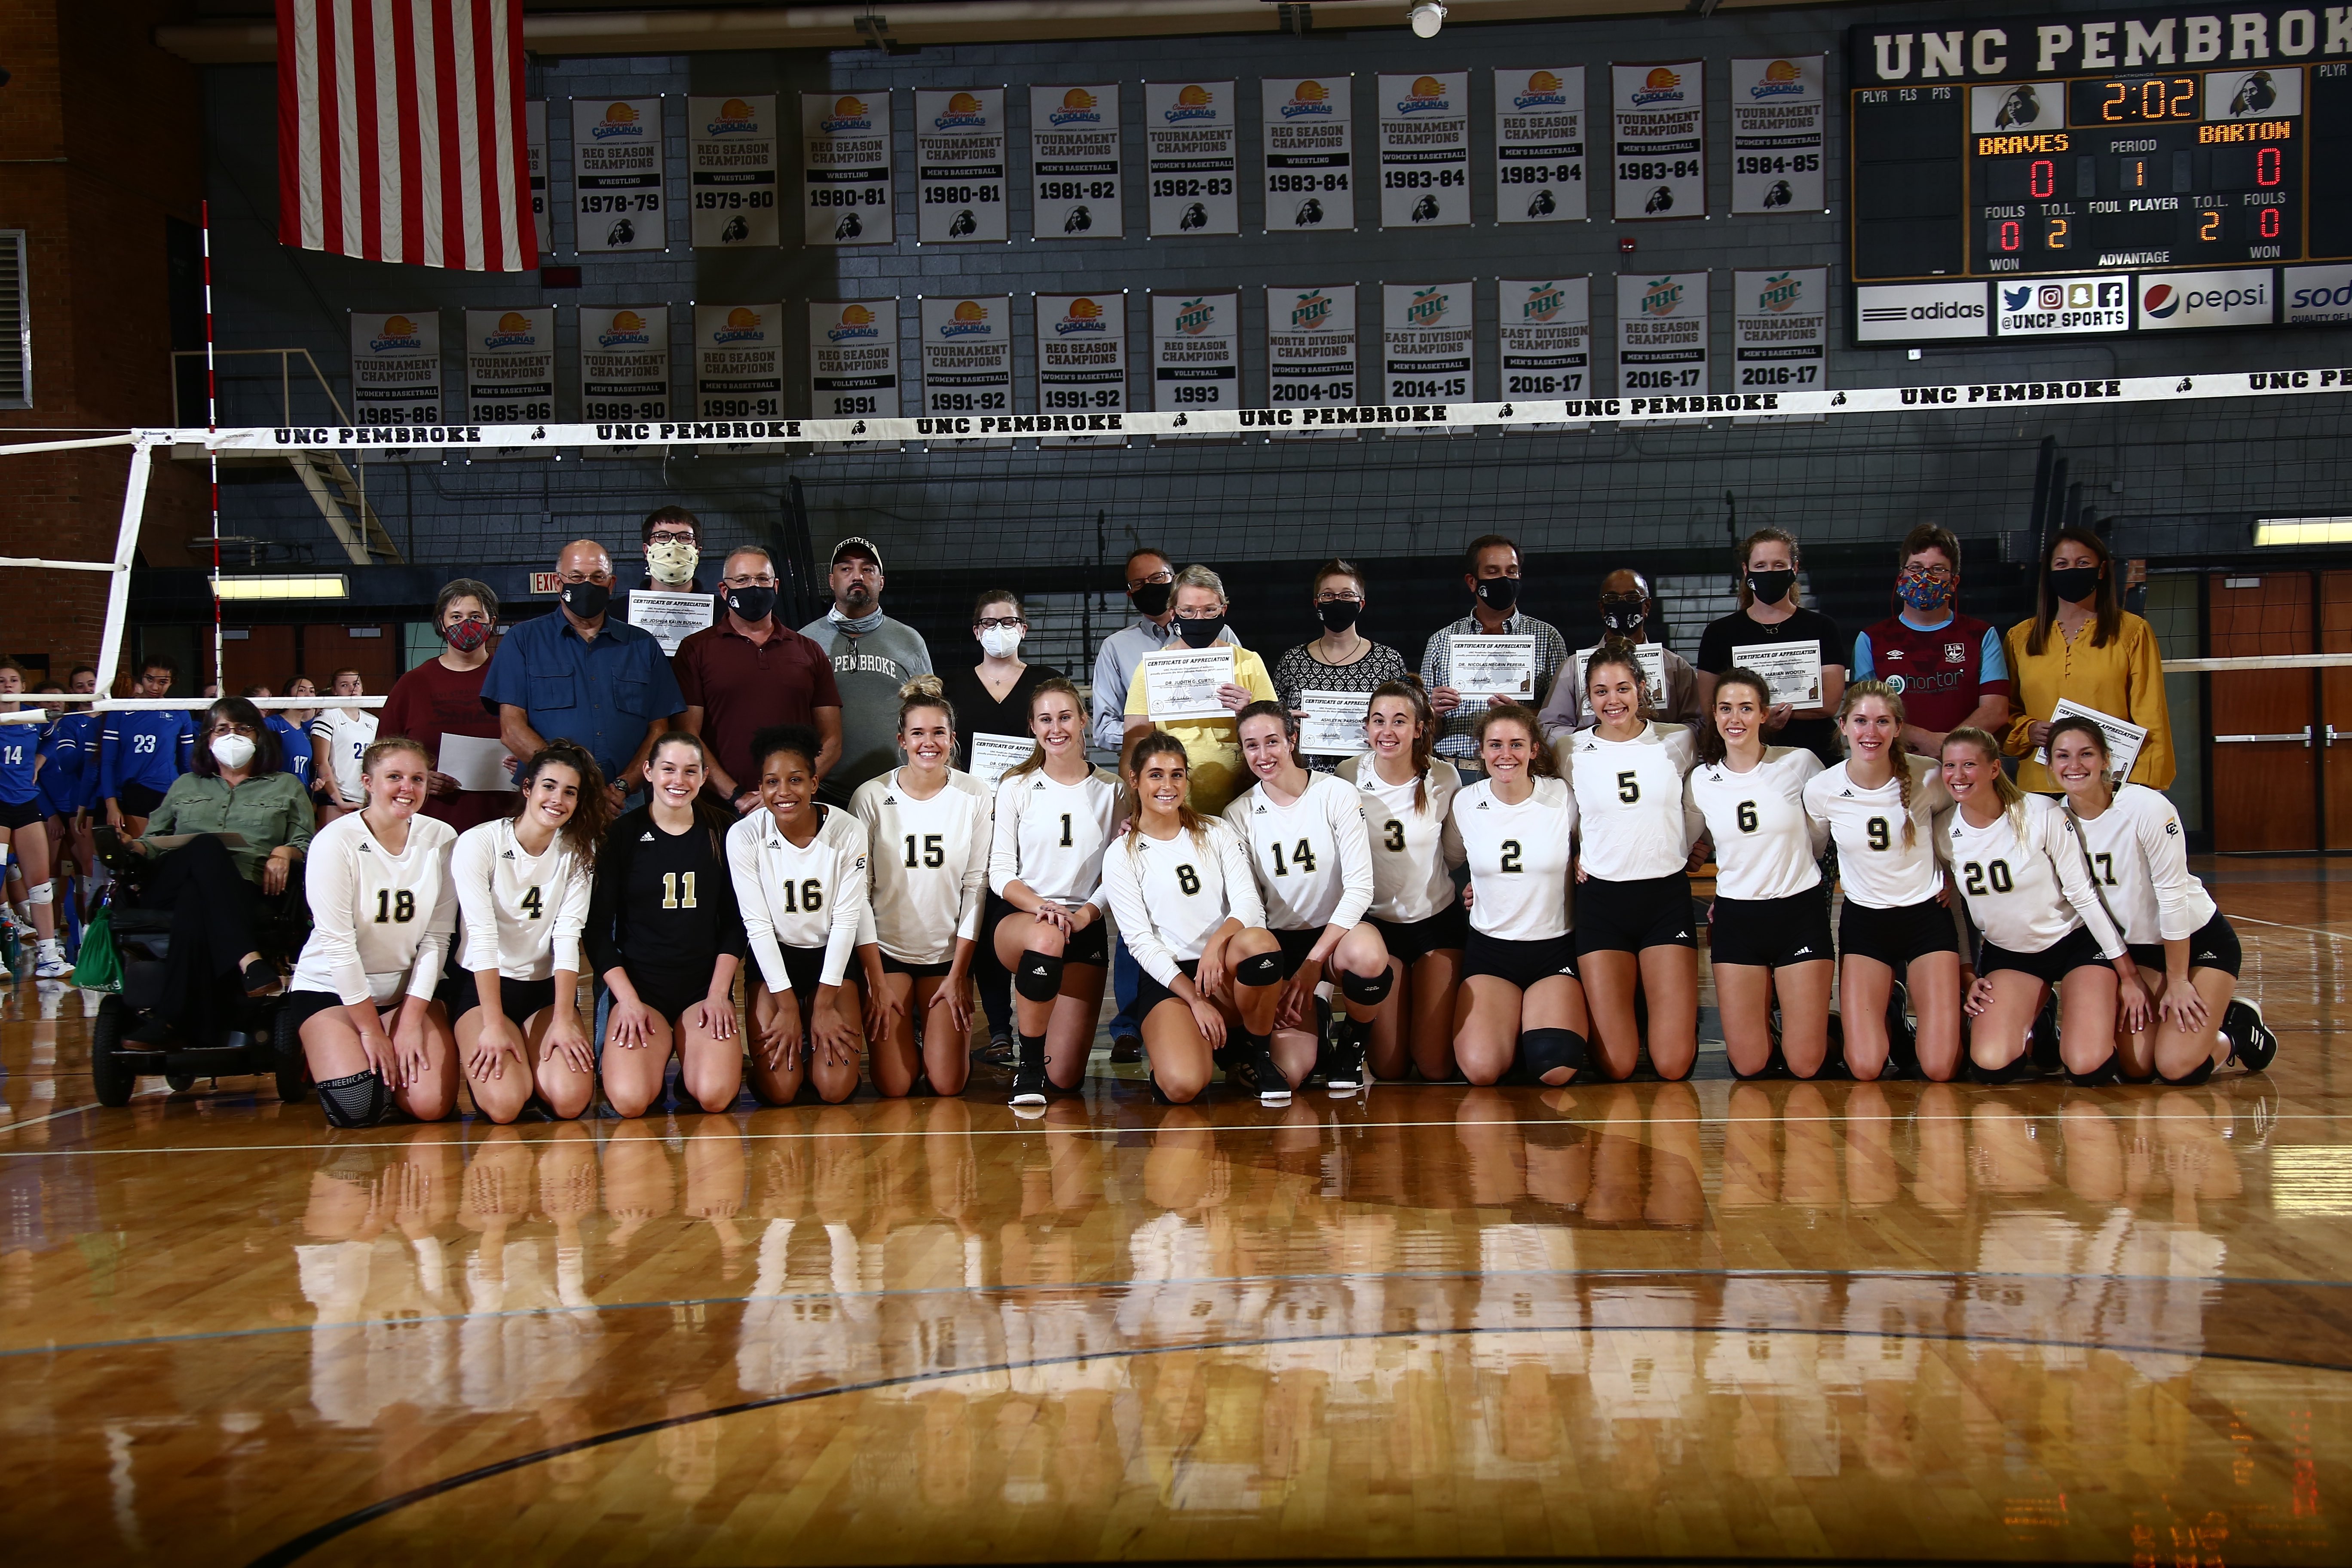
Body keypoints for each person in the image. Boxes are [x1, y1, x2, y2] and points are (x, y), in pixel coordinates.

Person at [2046, 715, 2273, 1083]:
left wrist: (2180, 981)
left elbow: (2172, 896)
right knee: (2136, 1067)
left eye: (2086, 754)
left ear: (2106, 759)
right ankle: (2211, 1019)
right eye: (2063, 756)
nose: (2075, 766)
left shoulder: (2147, 807)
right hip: (2139, 951)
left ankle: (2235, 1034)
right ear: (2050, 763)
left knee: (2176, 1067)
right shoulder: (2054, 819)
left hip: (2197, 942)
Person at [1939, 726, 2138, 1083]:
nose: (1958, 776)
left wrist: (2129, 974)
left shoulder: (2039, 812)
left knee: (2086, 1065)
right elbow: (1952, 905)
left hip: (2074, 944)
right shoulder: (1942, 831)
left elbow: (2083, 894)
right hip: (2010, 954)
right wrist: (1969, 971)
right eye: (1949, 766)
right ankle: (2040, 1022)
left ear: (1995, 769)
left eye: (1969, 765)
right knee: (1990, 1065)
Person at [1099, 732, 1288, 1104]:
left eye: (1177, 774)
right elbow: (1139, 943)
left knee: (1259, 944)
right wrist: (1196, 1000)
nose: (1168, 785)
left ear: (1188, 779)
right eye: (1156, 775)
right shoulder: (1122, 854)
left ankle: (1256, 1052)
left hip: (1222, 970)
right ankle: (1187, 1047)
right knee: (1184, 1086)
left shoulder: (1216, 831)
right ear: (1135, 781)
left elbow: (1250, 905)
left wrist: (1216, 946)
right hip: (1170, 980)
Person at [108, 698, 312, 1039]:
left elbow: (307, 843)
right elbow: (152, 842)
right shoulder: (185, 785)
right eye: (222, 729)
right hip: (169, 883)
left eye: (243, 728)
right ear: (207, 739)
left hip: (246, 886)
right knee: (205, 846)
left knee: (196, 897)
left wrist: (284, 851)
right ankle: (250, 962)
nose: (233, 736)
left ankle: (171, 1019)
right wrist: (129, 845)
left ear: (259, 736)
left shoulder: (286, 786)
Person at [283, 737, 459, 1126]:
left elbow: (437, 939)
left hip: (405, 994)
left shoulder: (443, 839)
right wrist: (371, 1031)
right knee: (357, 1110)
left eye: (418, 779)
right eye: (394, 777)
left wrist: (409, 1023)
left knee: (431, 1107)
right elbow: (338, 946)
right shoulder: (335, 841)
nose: (407, 789)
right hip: (333, 990)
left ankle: (386, 1066)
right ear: (368, 782)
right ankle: (330, 1048)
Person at [1224, 701, 1390, 1092]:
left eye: (1272, 742)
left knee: (1369, 955)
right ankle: (1313, 1014)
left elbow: (1361, 888)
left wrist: (1314, 963)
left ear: (1292, 740)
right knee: (1293, 1073)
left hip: (1334, 941)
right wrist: (1277, 979)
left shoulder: (1336, 793)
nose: (1263, 755)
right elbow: (1248, 901)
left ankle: (1352, 1046)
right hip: (1280, 943)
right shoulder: (1239, 813)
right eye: (1251, 746)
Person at [1560, 640, 1704, 1081]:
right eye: (1601, 692)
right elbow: (1556, 815)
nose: (1613, 700)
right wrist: (1574, 857)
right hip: (1603, 903)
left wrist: (1691, 843)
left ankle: (1657, 1021)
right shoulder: (1569, 751)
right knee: (1619, 1065)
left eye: (1623, 688)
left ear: (1642, 688)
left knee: (1673, 1064)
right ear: (1589, 699)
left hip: (1666, 899)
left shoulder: (1678, 740)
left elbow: (1699, 803)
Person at [1804, 682, 1963, 1082]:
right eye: (1860, 721)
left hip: (1927, 918)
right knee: (1865, 1067)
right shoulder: (1823, 789)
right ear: (1843, 726)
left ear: (1898, 728)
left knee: (1940, 1068)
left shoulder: (1930, 777)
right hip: (1866, 923)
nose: (1870, 732)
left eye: (1882, 722)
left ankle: (1923, 1017)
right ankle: (1890, 1006)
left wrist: (1953, 872)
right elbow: (1816, 847)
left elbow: (1964, 819)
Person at [443, 741, 609, 1123]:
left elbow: (568, 936)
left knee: (570, 1102)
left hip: (543, 990)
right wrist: (493, 1024)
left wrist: (566, 1019)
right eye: (549, 786)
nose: (558, 799)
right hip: (483, 988)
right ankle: (507, 1071)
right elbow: (481, 935)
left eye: (570, 792)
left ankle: (536, 1073)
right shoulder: (479, 843)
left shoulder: (578, 851)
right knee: (504, 1106)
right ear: (528, 788)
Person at [1090, 545, 1210, 1065]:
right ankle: (1129, 1022)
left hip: (1210, 794)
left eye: (1161, 578)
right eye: (1143, 584)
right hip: (1152, 785)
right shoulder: (1120, 649)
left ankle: (1213, 1001)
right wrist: (1156, 725)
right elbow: (1104, 726)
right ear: (1132, 593)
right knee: (1136, 906)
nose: (1154, 588)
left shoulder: (1221, 638)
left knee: (1206, 902)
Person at [585, 731, 747, 1117]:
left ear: (705, 776)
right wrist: (626, 1002)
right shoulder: (622, 836)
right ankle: (653, 1072)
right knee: (630, 1100)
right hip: (642, 992)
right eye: (668, 770)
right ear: (649, 772)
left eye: (690, 771)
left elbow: (737, 922)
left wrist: (718, 994)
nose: (679, 781)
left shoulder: (724, 831)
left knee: (714, 1095)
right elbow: (595, 931)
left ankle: (692, 1074)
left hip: (702, 989)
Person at [1685, 668, 1832, 1079]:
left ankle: (1833, 1034)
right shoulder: (1702, 780)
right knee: (1749, 1066)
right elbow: (1679, 842)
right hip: (1738, 919)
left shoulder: (1800, 764)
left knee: (1806, 1065)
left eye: (1747, 709)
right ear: (1713, 714)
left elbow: (1820, 836)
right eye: (1727, 708)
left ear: (1764, 714)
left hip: (1799, 914)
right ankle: (1768, 1030)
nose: (1736, 718)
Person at [939, 588, 1066, 1062]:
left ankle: (1046, 1020)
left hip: (1034, 815)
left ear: (1024, 629)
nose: (999, 630)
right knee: (983, 915)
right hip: (973, 817)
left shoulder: (1045, 681)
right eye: (989, 623)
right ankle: (997, 1027)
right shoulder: (952, 687)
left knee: (1033, 912)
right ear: (976, 631)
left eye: (1008, 621)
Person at [851, 679, 993, 1098]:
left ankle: (932, 1034)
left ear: (952, 738)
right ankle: (910, 1033)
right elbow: (859, 892)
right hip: (889, 954)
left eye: (938, 733)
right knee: (894, 1086)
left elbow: (976, 887)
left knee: (948, 1084)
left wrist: (959, 974)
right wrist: (874, 980)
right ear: (901, 740)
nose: (928, 743)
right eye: (918, 733)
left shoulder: (974, 794)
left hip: (946, 958)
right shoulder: (871, 796)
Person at [989, 677, 1123, 1106]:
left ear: (1084, 720)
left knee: (1065, 1080)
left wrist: (1086, 913)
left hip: (1085, 922)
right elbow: (1001, 874)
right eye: (1045, 719)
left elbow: (1116, 872)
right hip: (1024, 921)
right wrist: (1042, 907)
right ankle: (1026, 1067)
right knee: (1048, 935)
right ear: (1032, 726)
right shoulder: (1016, 786)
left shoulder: (1114, 789)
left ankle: (1046, 1068)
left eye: (1065, 716)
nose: (1056, 727)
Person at [729, 723, 876, 1107]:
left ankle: (816, 1032)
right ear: (760, 789)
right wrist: (789, 1006)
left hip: (831, 957)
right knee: (779, 1090)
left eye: (795, 780)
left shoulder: (848, 830)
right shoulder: (744, 836)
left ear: (814, 783)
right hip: (777, 958)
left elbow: (847, 921)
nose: (783, 792)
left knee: (835, 1089)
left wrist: (823, 1004)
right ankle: (782, 1058)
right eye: (772, 782)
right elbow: (757, 927)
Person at [482, 540, 686, 810]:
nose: (587, 585)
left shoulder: (642, 645)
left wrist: (623, 786)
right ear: (558, 583)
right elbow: (512, 730)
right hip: (549, 800)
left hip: (625, 801)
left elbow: (659, 730)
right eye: (576, 577)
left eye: (598, 577)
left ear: (611, 584)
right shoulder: (523, 641)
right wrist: (574, 786)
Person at [1446, 704, 1589, 1086]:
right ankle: (1514, 1031)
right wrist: (1473, 884)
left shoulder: (1563, 797)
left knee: (1555, 1068)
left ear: (1534, 750)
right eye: (1495, 745)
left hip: (1553, 949)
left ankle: (1534, 1032)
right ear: (1481, 750)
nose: (1505, 755)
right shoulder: (1465, 802)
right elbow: (1452, 860)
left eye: (1516, 744)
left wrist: (1581, 859)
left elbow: (1597, 843)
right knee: (1481, 1070)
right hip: (1492, 951)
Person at [1336, 679, 1465, 1083]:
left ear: (1419, 728)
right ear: (1366, 726)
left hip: (1435, 923)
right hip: (1378, 928)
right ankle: (1335, 1018)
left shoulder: (1444, 777)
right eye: (1378, 721)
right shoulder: (1346, 776)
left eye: (1399, 721)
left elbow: (1455, 854)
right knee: (1390, 1068)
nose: (1387, 732)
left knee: (1434, 1067)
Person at [2004, 527, 2175, 793]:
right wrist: (2028, 730)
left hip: (2110, 787)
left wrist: (2144, 788)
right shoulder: (2020, 637)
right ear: (2049, 573)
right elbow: (2005, 711)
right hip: (2041, 786)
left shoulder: (2133, 631)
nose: (2072, 570)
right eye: (2062, 564)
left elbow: (2150, 716)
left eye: (2082, 563)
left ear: (2102, 570)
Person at [676, 545, 843, 812]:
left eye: (762, 580)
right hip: (719, 808)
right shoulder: (695, 649)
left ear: (776, 586)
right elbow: (688, 734)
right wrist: (738, 796)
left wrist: (788, 790)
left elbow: (832, 740)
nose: (754, 587)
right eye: (742, 580)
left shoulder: (809, 650)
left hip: (791, 808)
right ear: (724, 590)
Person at [1120, 565, 1279, 817]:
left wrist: (1250, 714)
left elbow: (1274, 736)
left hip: (1244, 800)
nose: (1199, 619)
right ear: (1173, 613)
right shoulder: (1150, 669)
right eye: (1188, 611)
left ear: (1223, 610)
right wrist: (1133, 809)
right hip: (1174, 804)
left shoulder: (1249, 662)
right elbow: (1134, 744)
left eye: (1209, 610)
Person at [1851, 524, 2010, 758]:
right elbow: (1864, 714)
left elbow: (1995, 711)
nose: (1925, 578)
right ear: (1901, 577)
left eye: (1938, 570)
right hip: (1897, 763)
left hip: (1966, 765)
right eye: (1916, 568)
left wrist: (1949, 748)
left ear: (1954, 582)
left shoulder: (1982, 634)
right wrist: (1924, 739)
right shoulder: (1872, 640)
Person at [796, 535, 934, 804]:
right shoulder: (803, 642)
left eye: (868, 569)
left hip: (896, 790)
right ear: (832, 580)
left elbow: (930, 716)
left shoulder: (910, 641)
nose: (857, 576)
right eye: (846, 569)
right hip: (823, 789)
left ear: (881, 582)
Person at [1695, 529, 1848, 764]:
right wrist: (1763, 720)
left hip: (1817, 752)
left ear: (1794, 569)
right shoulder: (1719, 633)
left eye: (1779, 565)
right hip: (1747, 757)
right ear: (1747, 571)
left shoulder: (1822, 627)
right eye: (1761, 566)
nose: (1770, 573)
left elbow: (1829, 703)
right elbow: (1710, 707)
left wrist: (1765, 715)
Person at [1421, 535, 1570, 772]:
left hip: (1518, 769)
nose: (1504, 579)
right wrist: (1434, 713)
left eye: (1512, 572)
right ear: (1472, 582)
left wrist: (1520, 715)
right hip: (1454, 770)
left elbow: (1562, 720)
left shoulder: (1548, 637)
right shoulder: (1441, 642)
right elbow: (1426, 730)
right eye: (1493, 572)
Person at [379, 579, 508, 833]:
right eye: (457, 617)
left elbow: (538, 743)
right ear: (442, 623)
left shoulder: (512, 678)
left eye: (475, 616)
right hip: (431, 826)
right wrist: (419, 777)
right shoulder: (413, 684)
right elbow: (382, 756)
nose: (466, 624)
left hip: (503, 823)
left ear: (491, 622)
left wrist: (526, 762)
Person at [1270, 560, 1410, 774]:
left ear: (1361, 604)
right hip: (1307, 776)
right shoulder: (1293, 660)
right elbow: (1273, 720)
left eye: (1347, 595)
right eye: (1328, 595)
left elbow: (1405, 718)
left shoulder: (1388, 660)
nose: (1337, 601)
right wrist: (1285, 722)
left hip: (1372, 774)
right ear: (1317, 604)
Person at [1539, 568, 1702, 736]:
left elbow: (1699, 724)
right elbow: (1550, 728)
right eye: (1612, 599)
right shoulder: (1573, 668)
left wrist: (1660, 738)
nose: (1622, 604)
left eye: (1632, 598)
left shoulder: (1676, 667)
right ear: (1602, 608)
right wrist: (1598, 738)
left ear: (1646, 606)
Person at [0, 663, 71, 978]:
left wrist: (38, 764)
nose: (8, 685)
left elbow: (51, 737)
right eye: (1, 681)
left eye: (14, 680)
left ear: (23, 685)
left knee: (41, 885)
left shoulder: (34, 717)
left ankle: (49, 957)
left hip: (26, 805)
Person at [100, 652, 196, 836]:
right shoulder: (119, 711)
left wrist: (190, 798)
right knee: (140, 854)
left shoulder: (179, 712)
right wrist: (111, 805)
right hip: (135, 793)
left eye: (163, 682)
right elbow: (108, 763)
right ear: (141, 677)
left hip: (171, 793)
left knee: (169, 856)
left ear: (172, 682)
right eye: (150, 679)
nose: (155, 687)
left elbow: (187, 764)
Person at [38, 665, 100, 924]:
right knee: (54, 876)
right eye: (80, 686)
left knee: (89, 873)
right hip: (66, 811)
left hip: (97, 804)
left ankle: (86, 936)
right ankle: (55, 937)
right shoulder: (67, 725)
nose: (87, 690)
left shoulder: (113, 717)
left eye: (91, 684)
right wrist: (51, 814)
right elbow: (36, 778)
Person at [307, 669, 378, 826]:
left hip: (368, 800)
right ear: (335, 690)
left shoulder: (373, 721)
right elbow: (321, 761)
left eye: (356, 684)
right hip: (337, 800)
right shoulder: (328, 716)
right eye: (345, 685)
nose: (352, 688)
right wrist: (339, 800)